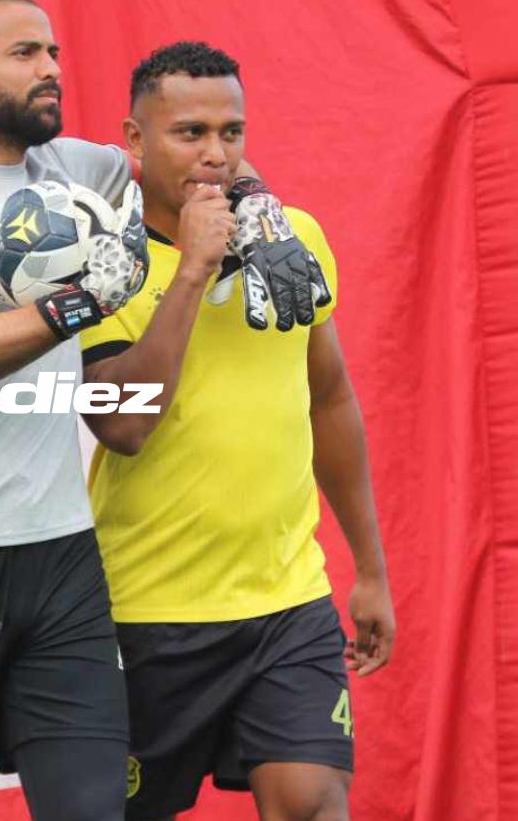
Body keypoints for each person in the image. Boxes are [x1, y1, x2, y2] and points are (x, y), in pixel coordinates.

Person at [0, 0, 262, 821]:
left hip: (60, 555)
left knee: (92, 807)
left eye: (55, 53)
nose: (52, 70)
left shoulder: (80, 170)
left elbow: (204, 159)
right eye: (25, 53)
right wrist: (82, 302)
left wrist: (263, 210)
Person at [81, 41, 396, 821]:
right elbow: (123, 423)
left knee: (314, 803)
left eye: (232, 132)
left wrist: (369, 569)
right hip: (146, 611)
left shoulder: (295, 241)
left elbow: (329, 398)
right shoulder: (100, 262)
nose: (216, 154)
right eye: (190, 132)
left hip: (288, 603)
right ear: (135, 139)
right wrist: (193, 269)